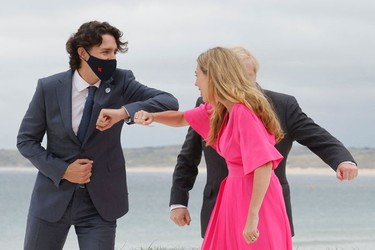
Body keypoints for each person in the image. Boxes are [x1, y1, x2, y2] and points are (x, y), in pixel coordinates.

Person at [97, 47, 293, 249]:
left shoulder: (242, 112)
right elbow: (183, 118)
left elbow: (264, 165)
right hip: (233, 195)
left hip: (255, 199)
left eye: (198, 75)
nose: (195, 82)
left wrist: (253, 216)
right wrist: (151, 116)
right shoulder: (220, 109)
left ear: (214, 77)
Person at [16, 20, 178, 250]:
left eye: (114, 52)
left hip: (100, 204)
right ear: (83, 53)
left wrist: (124, 112)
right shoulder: (49, 87)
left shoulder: (121, 81)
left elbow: (168, 101)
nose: (112, 58)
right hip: (52, 199)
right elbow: (26, 141)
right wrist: (63, 170)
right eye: (105, 52)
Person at [169, 46, 358, 238]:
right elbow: (188, 157)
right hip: (219, 206)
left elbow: (317, 137)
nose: (244, 80)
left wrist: (343, 160)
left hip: (266, 209)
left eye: (250, 75)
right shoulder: (207, 105)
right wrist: (178, 201)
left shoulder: (282, 104)